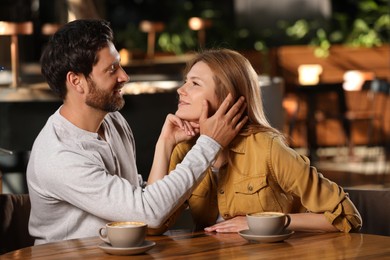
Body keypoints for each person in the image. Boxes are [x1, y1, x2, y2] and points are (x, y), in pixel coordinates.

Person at [26, 20, 248, 245]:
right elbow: (148, 213)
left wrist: (165, 143)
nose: (124, 76)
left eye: (119, 65)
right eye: (112, 69)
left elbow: (137, 202)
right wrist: (210, 143)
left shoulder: (113, 121)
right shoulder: (59, 156)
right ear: (76, 81)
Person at [150, 49, 362, 234]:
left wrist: (265, 222)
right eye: (185, 81)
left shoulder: (267, 148)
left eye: (194, 83)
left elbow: (347, 216)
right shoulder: (185, 150)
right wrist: (164, 144)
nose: (181, 90)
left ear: (227, 98)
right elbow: (152, 224)